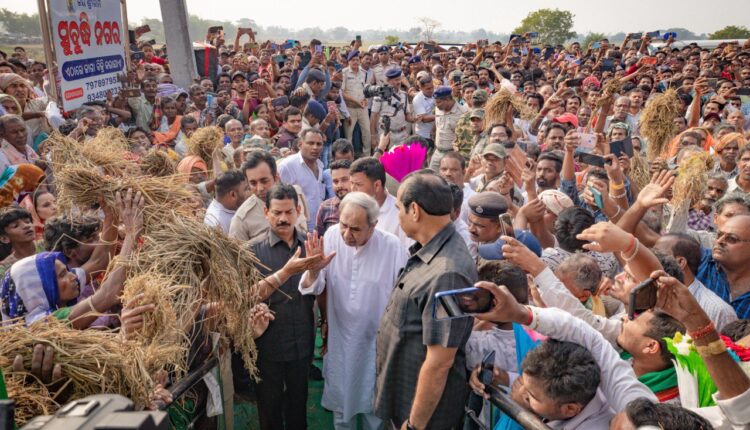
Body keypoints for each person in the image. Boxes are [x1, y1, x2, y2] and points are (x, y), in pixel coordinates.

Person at [374, 170, 477, 429]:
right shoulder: (432, 251)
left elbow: (440, 362)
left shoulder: (448, 274)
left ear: (415, 211)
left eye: (399, 208)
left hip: (423, 417)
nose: (397, 217)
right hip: (404, 398)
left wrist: (414, 425)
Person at [299, 192, 408, 430]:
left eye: (356, 229)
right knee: (342, 411)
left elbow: (402, 300)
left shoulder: (392, 247)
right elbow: (313, 287)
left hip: (376, 345)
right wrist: (314, 270)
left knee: (373, 411)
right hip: (341, 338)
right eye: (344, 226)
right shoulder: (330, 237)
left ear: (373, 226)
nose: (347, 235)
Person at [249, 184, 326, 430]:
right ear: (266, 212)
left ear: (298, 210)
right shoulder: (252, 251)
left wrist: (315, 271)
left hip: (301, 340)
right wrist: (286, 272)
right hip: (267, 343)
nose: (283, 218)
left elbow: (320, 289)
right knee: (269, 407)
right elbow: (248, 296)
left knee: (297, 405)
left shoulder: (310, 245)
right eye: (277, 212)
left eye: (289, 212)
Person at [653, 233, 737, 330]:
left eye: (658, 254)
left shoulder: (717, 310)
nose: (650, 258)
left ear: (680, 262)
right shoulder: (649, 294)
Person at [230, 150, 309, 242]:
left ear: (276, 178)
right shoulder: (241, 219)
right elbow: (237, 255)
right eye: (253, 183)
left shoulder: (296, 194)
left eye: (264, 181)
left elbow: (305, 230)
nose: (259, 188)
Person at [349, 156, 412, 248]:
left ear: (377, 185)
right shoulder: (349, 207)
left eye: (358, 184)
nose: (352, 189)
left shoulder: (399, 213)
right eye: (351, 183)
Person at [279, 129, 326, 233]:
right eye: (310, 143)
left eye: (319, 144)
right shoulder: (287, 166)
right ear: (300, 144)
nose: (315, 147)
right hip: (298, 229)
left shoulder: (320, 165)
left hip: (318, 226)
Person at [429, 86, 468, 170]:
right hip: (437, 151)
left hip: (452, 154)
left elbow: (464, 137)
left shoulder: (462, 113)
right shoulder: (438, 108)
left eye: (439, 102)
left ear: (447, 100)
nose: (436, 105)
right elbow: (437, 121)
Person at [341, 51, 371, 156]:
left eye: (357, 60)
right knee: (349, 135)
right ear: (348, 61)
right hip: (350, 109)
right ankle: (349, 157)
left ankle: (367, 156)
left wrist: (366, 98)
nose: (355, 62)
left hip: (362, 108)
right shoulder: (344, 73)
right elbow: (342, 93)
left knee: (367, 133)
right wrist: (356, 102)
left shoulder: (364, 73)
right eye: (353, 60)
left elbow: (366, 89)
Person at [316, 159, 352, 236]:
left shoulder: (366, 206)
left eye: (344, 180)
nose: (339, 185)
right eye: (335, 181)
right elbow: (320, 240)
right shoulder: (325, 207)